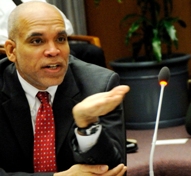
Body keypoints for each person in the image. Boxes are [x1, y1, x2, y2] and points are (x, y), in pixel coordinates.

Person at [0, 1, 129, 175]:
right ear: (11, 51)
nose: (53, 51)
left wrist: (87, 125)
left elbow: (115, 170)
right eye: (37, 41)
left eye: (61, 39)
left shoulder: (99, 85)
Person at [0, 0, 107, 68]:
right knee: (68, 56)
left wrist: (52, 31)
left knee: (92, 51)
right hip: (10, 48)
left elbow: (67, 27)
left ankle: (100, 92)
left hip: (51, 39)